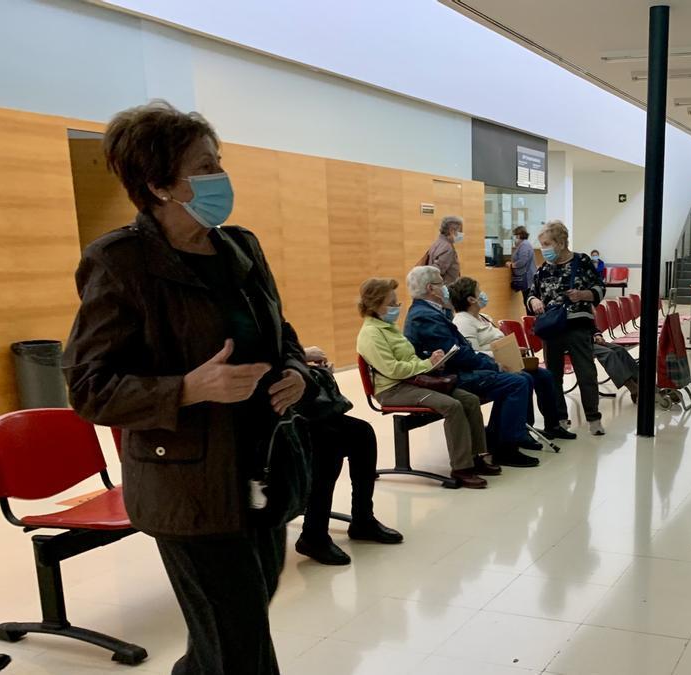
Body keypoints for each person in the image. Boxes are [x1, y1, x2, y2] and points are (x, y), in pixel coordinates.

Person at [62, 101, 308, 674]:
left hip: (263, 468)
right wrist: (187, 389)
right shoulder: (120, 262)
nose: (221, 176)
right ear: (158, 184)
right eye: (204, 165)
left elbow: (283, 335)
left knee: (232, 627)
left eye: (219, 161)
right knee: (242, 650)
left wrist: (296, 372)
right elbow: (88, 387)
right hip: (189, 490)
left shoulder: (241, 247)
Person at [356, 277, 498, 487]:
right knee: (452, 406)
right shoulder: (370, 333)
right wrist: (425, 365)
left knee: (469, 399)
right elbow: (392, 370)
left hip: (411, 381)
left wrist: (432, 363)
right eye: (392, 304)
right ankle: (461, 468)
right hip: (393, 389)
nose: (397, 307)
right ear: (375, 306)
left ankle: (477, 456)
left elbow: (409, 359)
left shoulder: (388, 327)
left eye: (397, 303)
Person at [404, 267, 544, 465]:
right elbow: (457, 354)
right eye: (441, 283)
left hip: (453, 370)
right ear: (431, 288)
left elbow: (462, 350)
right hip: (445, 377)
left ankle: (498, 440)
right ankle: (505, 447)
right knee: (516, 382)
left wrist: (491, 364)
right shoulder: (424, 315)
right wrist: (493, 365)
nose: (445, 287)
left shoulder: (434, 311)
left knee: (521, 379)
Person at [295, 345, 403, 566]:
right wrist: (301, 356)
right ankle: (313, 534)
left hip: (298, 410)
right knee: (326, 444)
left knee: (362, 433)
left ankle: (363, 519)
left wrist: (314, 372)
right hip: (268, 419)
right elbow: (258, 359)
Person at [448, 276, 574, 439]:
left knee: (545, 376)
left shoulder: (484, 317)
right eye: (479, 292)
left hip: (508, 362)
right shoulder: (463, 321)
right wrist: (502, 355)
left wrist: (513, 351)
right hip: (489, 367)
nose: (483, 294)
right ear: (471, 299)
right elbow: (474, 353)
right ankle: (522, 430)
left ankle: (553, 425)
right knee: (525, 378)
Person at [527, 220, 607, 436]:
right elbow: (531, 293)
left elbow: (600, 288)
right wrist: (534, 301)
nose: (544, 249)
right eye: (542, 244)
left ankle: (594, 418)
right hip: (551, 328)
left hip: (577, 325)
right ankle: (559, 418)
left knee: (586, 373)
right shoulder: (543, 269)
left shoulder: (582, 262)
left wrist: (583, 295)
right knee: (553, 376)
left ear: (561, 242)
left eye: (547, 244)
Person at [424, 215, 464, 285]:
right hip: (445, 288)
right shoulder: (447, 248)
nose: (462, 234)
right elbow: (437, 271)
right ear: (452, 231)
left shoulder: (437, 243)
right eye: (460, 231)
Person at [508, 225, 536, 306]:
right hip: (527, 278)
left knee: (528, 301)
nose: (514, 239)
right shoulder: (524, 245)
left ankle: (531, 318)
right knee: (527, 300)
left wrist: (512, 265)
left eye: (515, 236)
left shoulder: (524, 245)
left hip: (527, 278)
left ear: (519, 235)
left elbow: (523, 261)